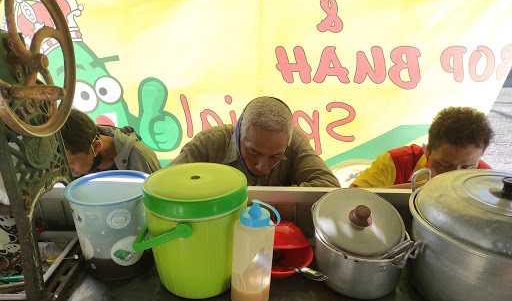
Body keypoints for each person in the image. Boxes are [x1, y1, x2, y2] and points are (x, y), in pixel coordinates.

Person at [172, 96, 340, 187]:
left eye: (275, 157)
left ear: (287, 143)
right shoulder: (208, 143)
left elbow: (329, 187)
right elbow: (164, 185)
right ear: (238, 132)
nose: (261, 165)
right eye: (253, 152)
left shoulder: (295, 142)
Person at [351, 106, 493, 188]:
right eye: (444, 164)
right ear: (427, 150)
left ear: (480, 156)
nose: (453, 176)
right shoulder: (396, 162)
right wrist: (421, 189)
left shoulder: (486, 178)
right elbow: (347, 199)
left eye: (466, 168)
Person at [61, 109, 160, 177]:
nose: (64, 169)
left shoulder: (140, 157)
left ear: (96, 147)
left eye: (70, 163)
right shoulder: (76, 165)